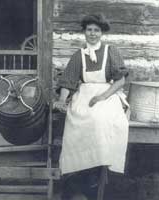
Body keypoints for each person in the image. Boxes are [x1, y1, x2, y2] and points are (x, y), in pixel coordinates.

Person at [54, 14, 129, 200]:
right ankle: (82, 171)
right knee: (78, 118)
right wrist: (63, 101)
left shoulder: (111, 51)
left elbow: (120, 80)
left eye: (96, 30)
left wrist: (102, 96)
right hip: (84, 95)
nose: (93, 34)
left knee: (101, 119)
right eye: (89, 30)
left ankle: (100, 167)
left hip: (107, 93)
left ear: (101, 33)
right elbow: (68, 82)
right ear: (84, 32)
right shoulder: (79, 55)